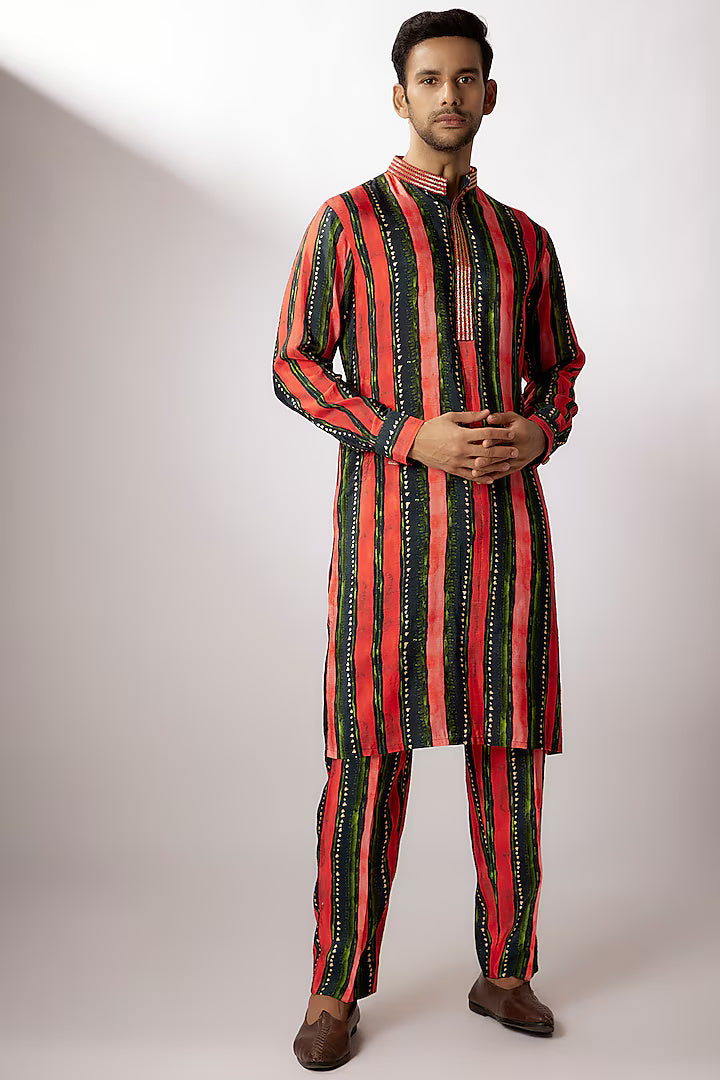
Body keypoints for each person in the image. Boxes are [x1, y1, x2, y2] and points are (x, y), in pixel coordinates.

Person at [272, 8, 585, 1069]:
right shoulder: (346, 223)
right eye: (430, 78)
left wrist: (539, 429)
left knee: (511, 758)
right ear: (399, 95)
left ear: (489, 94)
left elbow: (561, 367)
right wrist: (412, 436)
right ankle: (334, 990)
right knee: (367, 761)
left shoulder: (524, 239)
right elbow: (295, 365)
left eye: (467, 78)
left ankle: (507, 972)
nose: (450, 95)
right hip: (387, 551)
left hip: (506, 544)